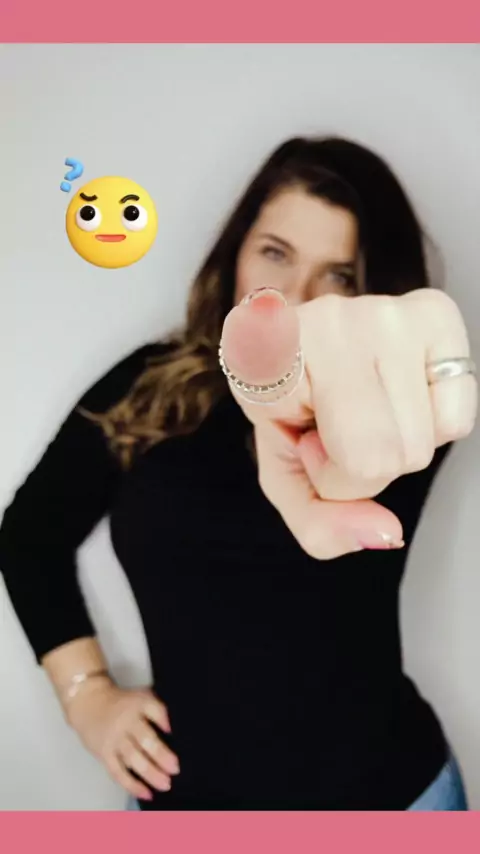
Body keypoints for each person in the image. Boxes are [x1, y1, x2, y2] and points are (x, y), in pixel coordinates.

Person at [0, 137, 476, 811]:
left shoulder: (388, 412)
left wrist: (427, 363)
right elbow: (30, 536)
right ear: (236, 252)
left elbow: (357, 473)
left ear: (370, 293)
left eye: (339, 276)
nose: (296, 297)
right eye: (276, 253)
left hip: (390, 800)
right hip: (185, 806)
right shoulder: (145, 387)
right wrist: (87, 697)